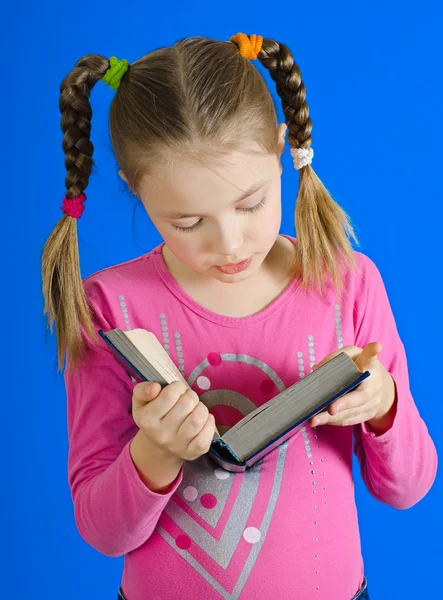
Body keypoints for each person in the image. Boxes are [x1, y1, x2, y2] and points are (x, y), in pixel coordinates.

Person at [41, 33, 437, 600]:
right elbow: (103, 532)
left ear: (281, 149)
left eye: (250, 203)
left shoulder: (346, 280)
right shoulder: (107, 308)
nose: (229, 243)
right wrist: (153, 451)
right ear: (134, 190)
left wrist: (384, 405)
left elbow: (409, 487)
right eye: (186, 222)